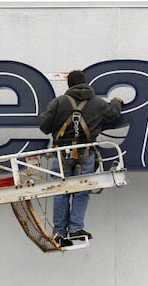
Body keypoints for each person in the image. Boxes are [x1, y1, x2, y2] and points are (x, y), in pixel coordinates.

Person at [39, 70, 123, 247]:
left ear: (69, 85)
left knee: (61, 190)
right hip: (86, 152)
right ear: (86, 83)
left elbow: (44, 126)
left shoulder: (59, 102)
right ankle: (76, 227)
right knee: (82, 189)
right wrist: (116, 102)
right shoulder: (98, 103)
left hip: (62, 152)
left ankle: (59, 232)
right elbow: (113, 114)